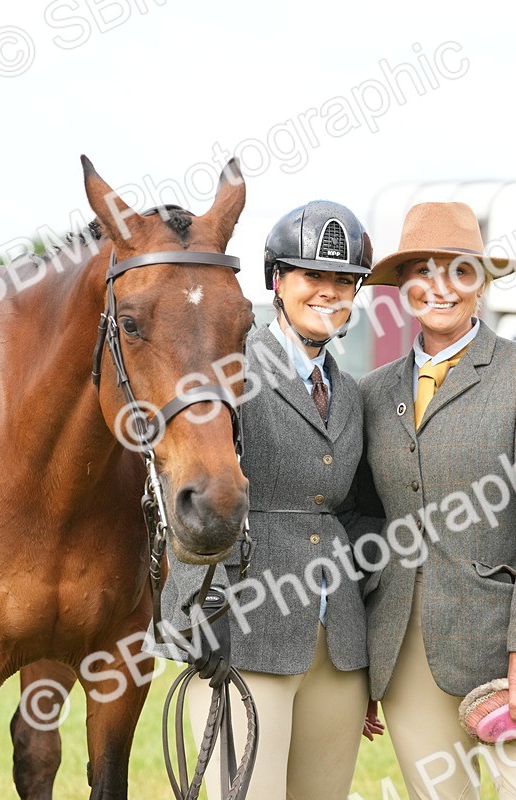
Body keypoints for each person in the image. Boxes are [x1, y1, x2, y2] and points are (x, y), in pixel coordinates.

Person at [355, 202, 516, 799]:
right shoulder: (369, 393)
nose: (439, 287)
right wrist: (365, 664)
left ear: (482, 283)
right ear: (403, 285)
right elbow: (363, 524)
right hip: (403, 651)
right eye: (423, 270)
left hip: (510, 648)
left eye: (460, 271)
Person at [152, 201, 381, 800]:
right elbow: (193, 488)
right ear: (277, 281)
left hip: (338, 644)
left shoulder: (351, 394)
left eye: (344, 282)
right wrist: (205, 610)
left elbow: (350, 511)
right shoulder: (229, 368)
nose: (330, 293)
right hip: (243, 628)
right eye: (313, 277)